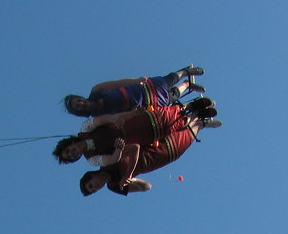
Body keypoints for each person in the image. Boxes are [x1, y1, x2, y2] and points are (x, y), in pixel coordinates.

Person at [78, 105, 220, 196]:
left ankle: (196, 112)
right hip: (156, 160)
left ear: (90, 176)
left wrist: (126, 173)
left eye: (91, 185)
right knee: (185, 140)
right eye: (93, 190)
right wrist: (131, 179)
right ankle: (202, 123)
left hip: (152, 147)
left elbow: (134, 147)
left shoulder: (105, 161)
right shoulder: (114, 186)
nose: (95, 187)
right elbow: (146, 187)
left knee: (176, 130)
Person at [63, 66, 205, 117]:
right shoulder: (99, 116)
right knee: (171, 97)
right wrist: (132, 114)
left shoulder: (96, 91)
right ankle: (187, 85)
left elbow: (117, 83)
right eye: (77, 106)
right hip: (143, 104)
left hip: (141, 89)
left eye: (78, 101)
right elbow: (118, 118)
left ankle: (186, 72)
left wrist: (135, 81)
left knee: (167, 80)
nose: (80, 103)